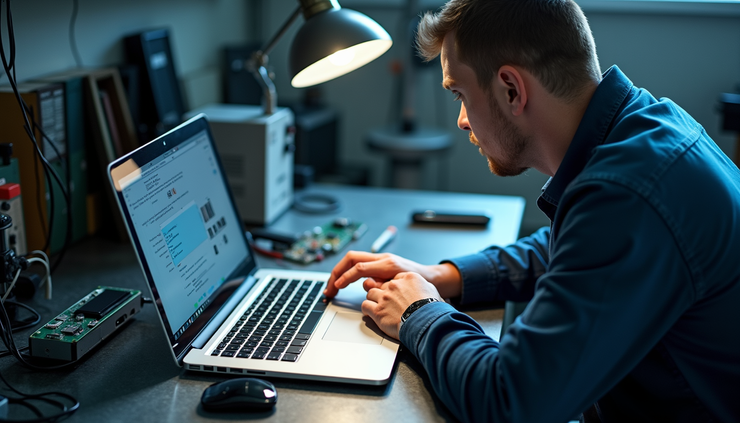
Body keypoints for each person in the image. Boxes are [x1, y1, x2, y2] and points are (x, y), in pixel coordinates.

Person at [323, 0, 740, 422]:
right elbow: (574, 247)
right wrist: (443, 276)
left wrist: (419, 312)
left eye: (460, 94)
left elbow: (509, 402)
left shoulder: (629, 194)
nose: (462, 120)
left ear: (511, 89)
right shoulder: (646, 129)